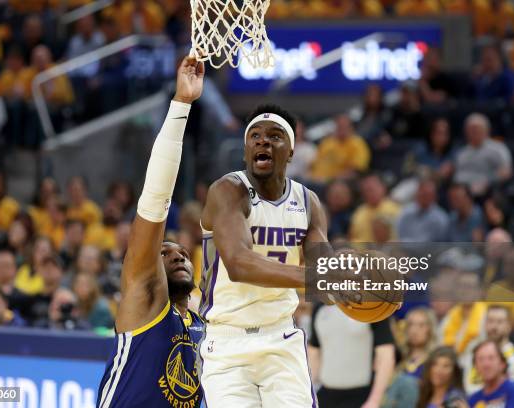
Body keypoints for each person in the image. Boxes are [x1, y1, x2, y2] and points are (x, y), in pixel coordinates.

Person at [199, 101, 355, 406]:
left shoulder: (308, 202)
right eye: (254, 135)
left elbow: (322, 267)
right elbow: (239, 264)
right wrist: (319, 278)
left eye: (275, 135)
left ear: (292, 151)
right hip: (227, 342)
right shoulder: (228, 191)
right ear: (246, 150)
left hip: (281, 338)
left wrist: (352, 281)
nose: (263, 141)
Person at [95, 55, 205, 407]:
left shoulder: (203, 323)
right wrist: (181, 106)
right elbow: (156, 199)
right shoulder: (144, 296)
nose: (178, 254)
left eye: (183, 253)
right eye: (165, 252)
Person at [308, 302, 396, 408]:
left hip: (362, 397)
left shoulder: (372, 304)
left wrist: (374, 400)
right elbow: (313, 354)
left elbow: (386, 356)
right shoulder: (319, 307)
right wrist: (305, 393)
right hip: (325, 395)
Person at [463, 305, 514, 393]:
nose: (494, 326)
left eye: (500, 322)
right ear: (485, 324)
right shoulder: (475, 350)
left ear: (508, 326)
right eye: (490, 321)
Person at [467, 340, 514, 408]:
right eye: (481, 359)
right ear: (475, 367)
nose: (486, 364)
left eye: (491, 358)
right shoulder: (473, 400)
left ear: (502, 364)